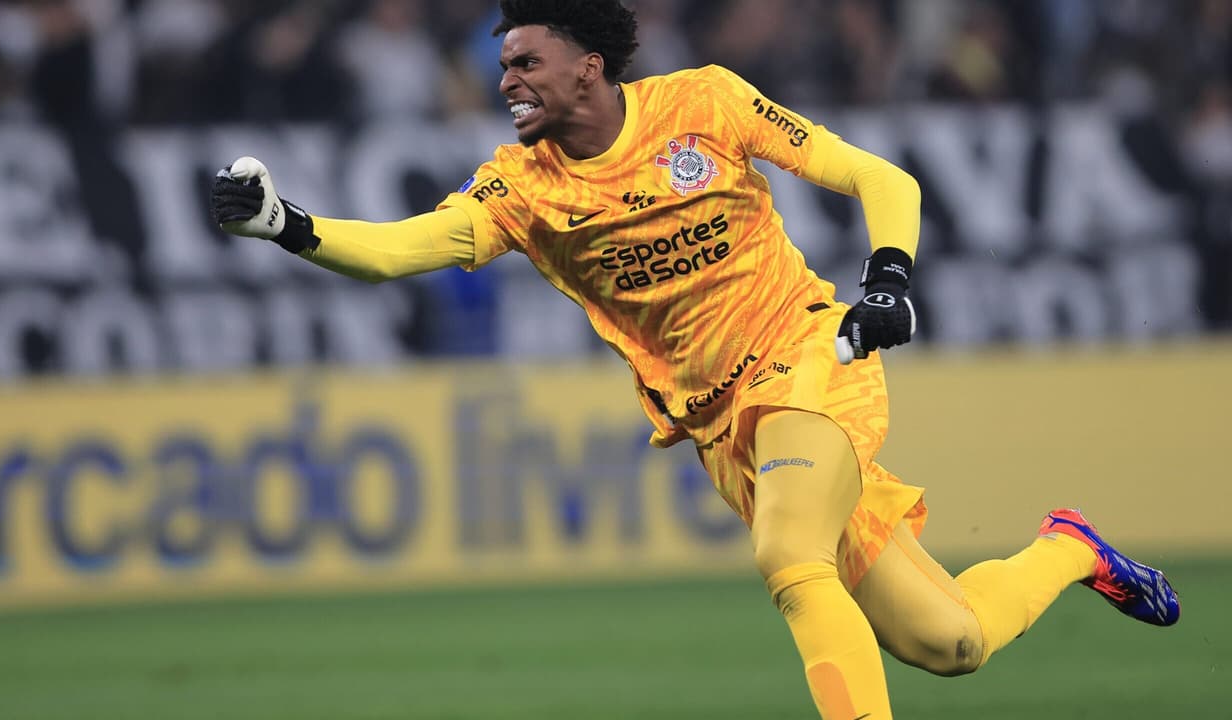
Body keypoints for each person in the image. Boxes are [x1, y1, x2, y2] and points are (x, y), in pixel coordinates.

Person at [209, 1, 1181, 717]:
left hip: (809, 358)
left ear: (587, 66)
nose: (504, 78)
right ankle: (1070, 547)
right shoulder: (520, 189)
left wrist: (886, 278)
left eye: (523, 61)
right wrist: (285, 225)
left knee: (786, 555)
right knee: (951, 642)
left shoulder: (704, 106)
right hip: (726, 431)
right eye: (500, 64)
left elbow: (872, 173)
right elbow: (400, 250)